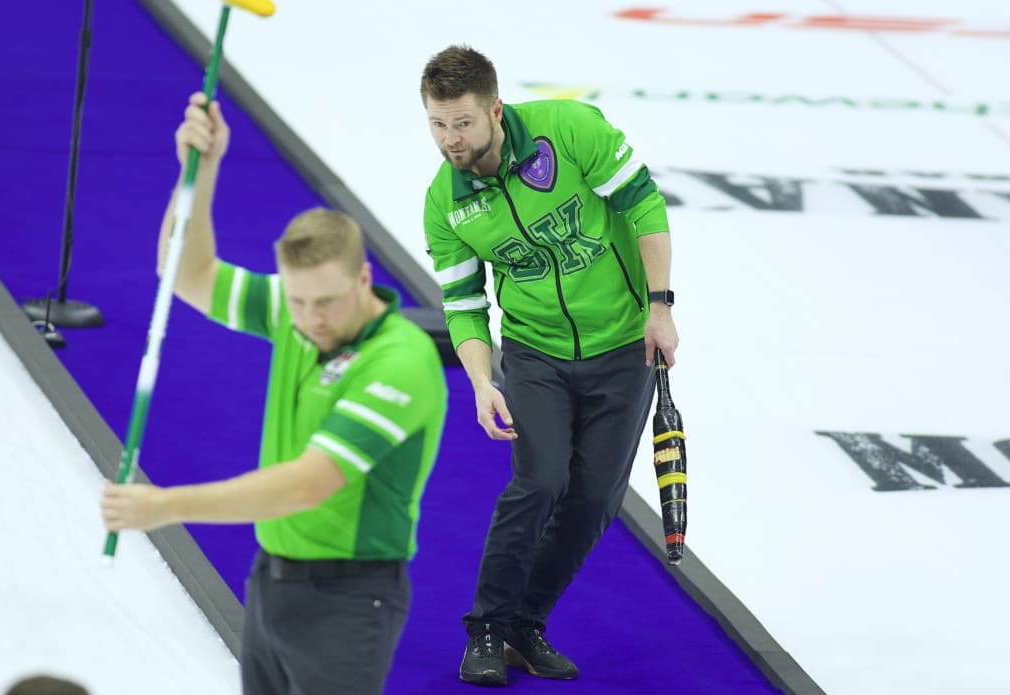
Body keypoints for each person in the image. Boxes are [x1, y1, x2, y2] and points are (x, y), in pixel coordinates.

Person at [101, 92, 448, 695]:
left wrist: (168, 506)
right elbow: (187, 273)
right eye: (297, 301)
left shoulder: (400, 361)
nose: (310, 318)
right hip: (271, 581)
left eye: (325, 302)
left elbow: (310, 483)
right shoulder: (295, 315)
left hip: (350, 598)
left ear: (364, 278)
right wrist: (201, 170)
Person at [419, 45, 680, 686]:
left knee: (593, 500)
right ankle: (485, 630)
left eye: (464, 123)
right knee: (539, 482)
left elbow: (644, 206)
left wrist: (660, 306)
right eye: (437, 123)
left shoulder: (571, 130)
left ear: (496, 111)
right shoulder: (445, 204)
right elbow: (463, 303)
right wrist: (482, 382)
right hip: (535, 354)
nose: (451, 140)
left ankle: (524, 627)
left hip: (624, 348)